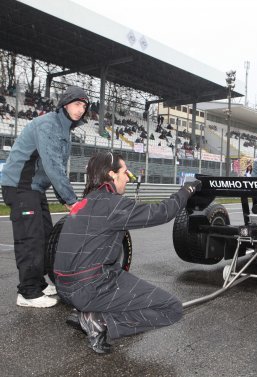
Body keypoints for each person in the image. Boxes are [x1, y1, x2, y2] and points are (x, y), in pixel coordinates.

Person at [53, 151, 202, 354]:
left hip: (64, 288)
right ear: (112, 175)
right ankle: (100, 322)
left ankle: (85, 311)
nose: (128, 178)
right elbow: (162, 212)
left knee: (115, 271)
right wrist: (186, 191)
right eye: (125, 172)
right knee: (171, 308)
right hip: (89, 288)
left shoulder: (82, 203)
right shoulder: (113, 205)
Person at [1, 86, 89, 308]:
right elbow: (52, 166)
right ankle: (27, 292)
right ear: (65, 104)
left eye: (85, 106)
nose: (82, 109)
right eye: (77, 104)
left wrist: (65, 199)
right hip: (20, 186)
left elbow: (56, 166)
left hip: (34, 188)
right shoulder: (49, 124)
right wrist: (70, 200)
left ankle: (38, 283)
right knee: (30, 238)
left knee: (46, 236)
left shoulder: (64, 129)